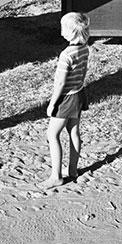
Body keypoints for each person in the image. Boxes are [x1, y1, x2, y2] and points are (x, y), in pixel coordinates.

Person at [41, 11, 91, 189]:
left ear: (70, 32)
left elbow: (60, 82)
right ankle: (73, 170)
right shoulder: (85, 49)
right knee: (74, 132)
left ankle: (56, 176)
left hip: (67, 98)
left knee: (52, 134)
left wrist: (53, 103)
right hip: (79, 93)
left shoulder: (66, 54)